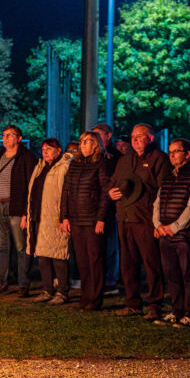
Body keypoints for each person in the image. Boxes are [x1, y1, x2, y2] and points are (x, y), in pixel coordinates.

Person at [110, 124, 171, 320]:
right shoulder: (125, 160)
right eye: (133, 137)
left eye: (140, 137)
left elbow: (165, 191)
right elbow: (113, 183)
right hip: (125, 218)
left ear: (150, 138)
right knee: (128, 263)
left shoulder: (159, 159)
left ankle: (155, 304)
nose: (135, 140)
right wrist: (110, 193)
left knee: (151, 263)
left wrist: (159, 221)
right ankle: (132, 302)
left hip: (146, 220)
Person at [152, 139, 190, 328]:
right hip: (166, 235)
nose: (172, 155)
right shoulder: (168, 177)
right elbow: (157, 203)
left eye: (176, 151)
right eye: (170, 152)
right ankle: (176, 310)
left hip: (185, 235)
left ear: (187, 154)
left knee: (188, 274)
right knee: (172, 274)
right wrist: (158, 225)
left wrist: (174, 227)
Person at [0, 124, 38, 296]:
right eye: (4, 135)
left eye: (10, 135)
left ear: (19, 138)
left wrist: (25, 212)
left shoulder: (27, 158)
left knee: (21, 246)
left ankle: (23, 283)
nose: (5, 138)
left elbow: (31, 186)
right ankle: (2, 281)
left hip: (15, 206)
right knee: (2, 245)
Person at [59, 132, 110, 310]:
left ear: (96, 144)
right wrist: (64, 217)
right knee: (81, 260)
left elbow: (105, 193)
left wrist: (101, 218)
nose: (83, 144)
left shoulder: (102, 163)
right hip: (75, 218)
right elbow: (66, 191)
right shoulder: (75, 164)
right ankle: (85, 296)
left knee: (94, 259)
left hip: (92, 218)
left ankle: (95, 298)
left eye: (87, 141)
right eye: (81, 141)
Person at [24, 138, 72, 305]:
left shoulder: (64, 167)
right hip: (39, 216)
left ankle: (62, 291)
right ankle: (46, 289)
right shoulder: (40, 167)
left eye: (49, 149)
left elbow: (66, 194)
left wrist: (64, 216)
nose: (45, 152)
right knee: (43, 255)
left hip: (54, 217)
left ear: (58, 151)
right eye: (43, 149)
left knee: (58, 255)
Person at [92, 122, 121, 295]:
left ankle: (110, 280)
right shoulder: (93, 157)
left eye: (98, 135)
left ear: (108, 136)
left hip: (110, 206)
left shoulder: (115, 157)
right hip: (93, 206)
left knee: (110, 243)